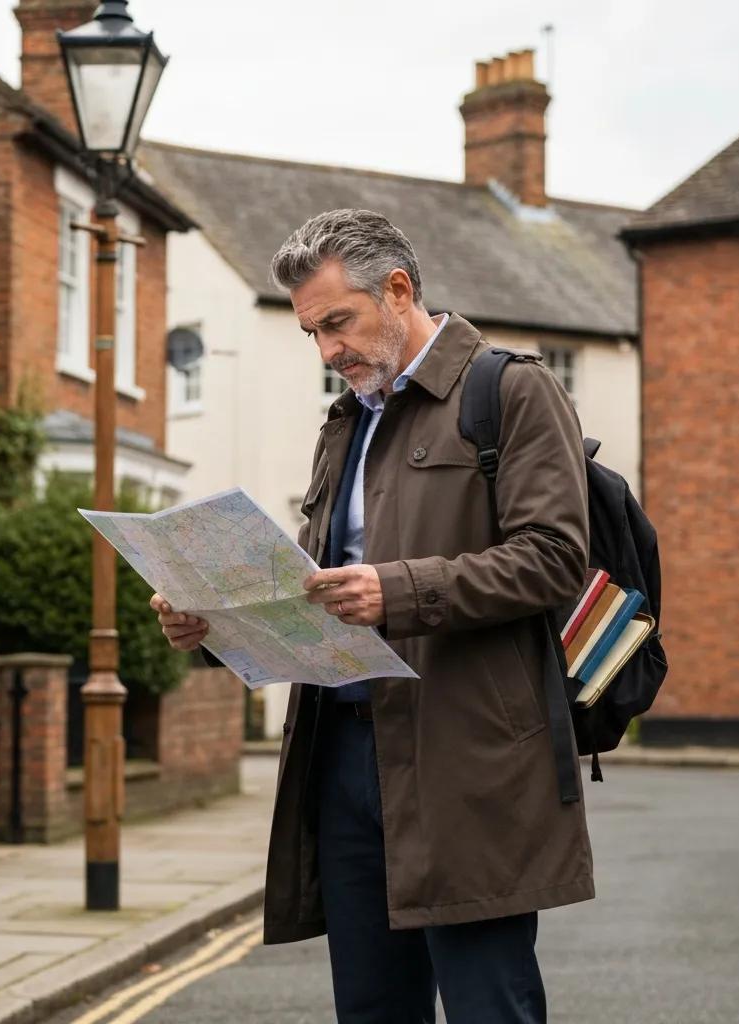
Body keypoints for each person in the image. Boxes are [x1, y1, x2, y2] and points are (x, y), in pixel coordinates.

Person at [149, 209, 594, 1023]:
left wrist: (396, 589)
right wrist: (211, 621)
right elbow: (313, 590)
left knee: (489, 1008)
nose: (328, 352)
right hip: (344, 759)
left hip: (471, 763)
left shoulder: (511, 390)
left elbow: (555, 557)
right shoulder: (344, 423)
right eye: (312, 334)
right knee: (372, 1011)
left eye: (337, 324)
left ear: (397, 290)